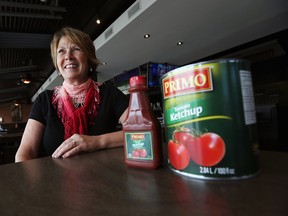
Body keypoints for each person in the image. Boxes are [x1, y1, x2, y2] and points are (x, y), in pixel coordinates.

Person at [15, 27, 129, 162]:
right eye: (61, 51)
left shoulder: (110, 93)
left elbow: (143, 132)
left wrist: (98, 142)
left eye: (76, 49)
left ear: (88, 57)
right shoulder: (44, 100)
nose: (68, 56)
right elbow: (25, 152)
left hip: (104, 176)